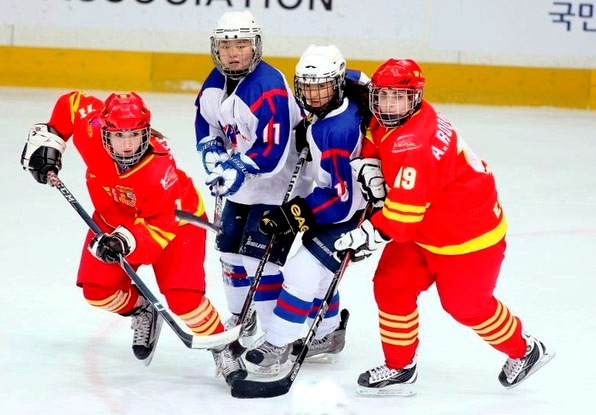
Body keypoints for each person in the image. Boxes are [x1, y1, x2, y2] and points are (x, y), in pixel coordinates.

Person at [334, 58, 555, 396]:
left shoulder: (416, 145)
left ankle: (525, 350)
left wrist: (364, 234)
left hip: (468, 240)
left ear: (416, 97)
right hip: (428, 226)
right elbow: (366, 100)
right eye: (383, 96)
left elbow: (400, 222)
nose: (389, 105)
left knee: (467, 307)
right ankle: (400, 367)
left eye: (399, 97)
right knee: (392, 285)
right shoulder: (399, 114)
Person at [20, 91, 246, 385]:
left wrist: (123, 242)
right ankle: (142, 309)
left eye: (135, 135)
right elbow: (71, 104)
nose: (127, 145)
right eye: (118, 136)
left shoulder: (158, 169)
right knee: (97, 291)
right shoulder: (91, 130)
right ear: (104, 133)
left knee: (184, 301)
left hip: (173, 222)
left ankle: (222, 346)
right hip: (115, 217)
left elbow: (161, 225)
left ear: (146, 133)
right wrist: (52, 139)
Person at [242, 44, 370, 374]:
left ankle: (277, 343)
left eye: (322, 87)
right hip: (341, 201)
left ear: (337, 84)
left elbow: (341, 200)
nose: (313, 96)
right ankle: (329, 335)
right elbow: (363, 80)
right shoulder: (347, 88)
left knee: (302, 273)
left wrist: (295, 213)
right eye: (308, 87)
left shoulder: (336, 132)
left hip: (350, 214)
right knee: (320, 276)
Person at [194, 10, 308, 345]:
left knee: (257, 258)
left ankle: (275, 336)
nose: (232, 52)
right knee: (229, 252)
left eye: (241, 44)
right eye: (226, 45)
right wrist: (212, 147)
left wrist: (235, 168)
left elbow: (272, 154)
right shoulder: (215, 80)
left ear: (255, 46)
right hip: (243, 184)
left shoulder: (267, 86)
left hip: (281, 185)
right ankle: (242, 317)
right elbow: (205, 118)